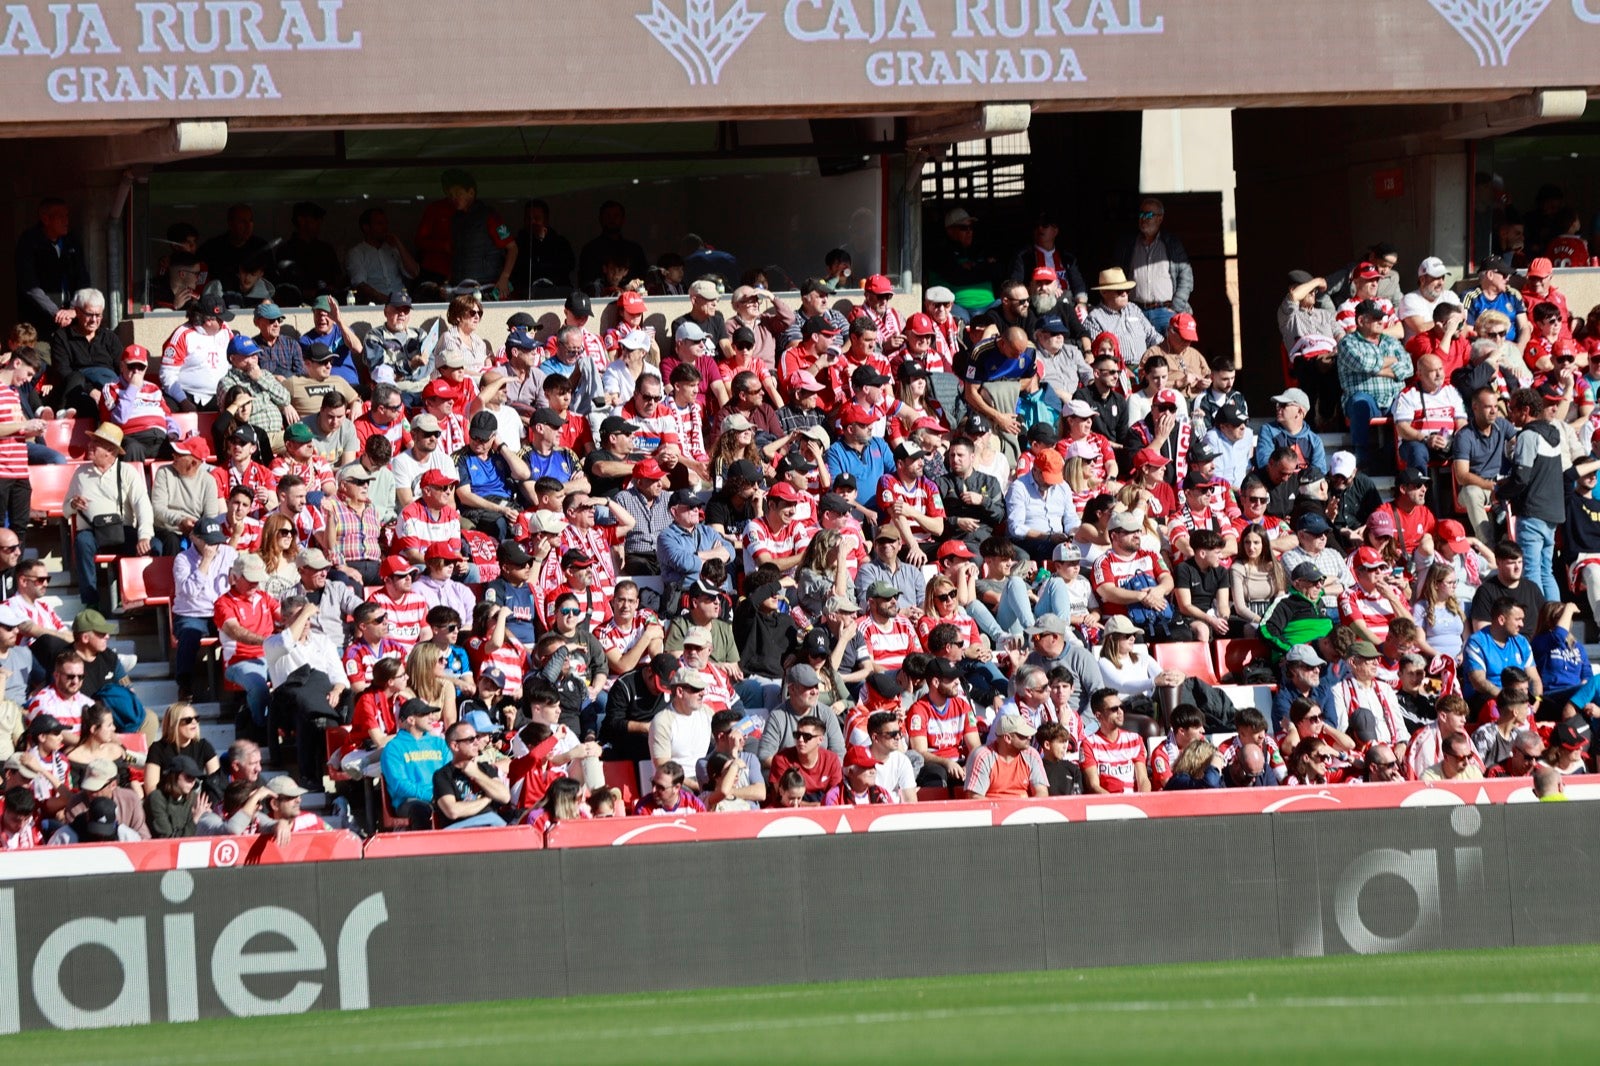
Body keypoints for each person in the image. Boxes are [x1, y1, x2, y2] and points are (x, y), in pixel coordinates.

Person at [66, 424, 156, 610]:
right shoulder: (80, 474)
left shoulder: (127, 472)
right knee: (82, 542)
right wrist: (73, 505)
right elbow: (65, 509)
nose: (89, 445)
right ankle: (91, 602)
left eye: (96, 443)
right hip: (92, 531)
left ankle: (138, 599)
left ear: (110, 451)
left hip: (122, 530)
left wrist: (144, 535)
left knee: (155, 547)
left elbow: (143, 505)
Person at [1501, 388, 1565, 601]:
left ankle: (1536, 623)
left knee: (1531, 571)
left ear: (1526, 410)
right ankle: (1555, 622)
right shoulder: (1555, 433)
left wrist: (1499, 492)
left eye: (1513, 410)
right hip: (1552, 515)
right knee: (1547, 571)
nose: (1510, 414)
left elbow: (1521, 477)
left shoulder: (1528, 436)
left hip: (1532, 514)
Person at [1337, 299, 1413, 467]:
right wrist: (1392, 362)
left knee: (1407, 402)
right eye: (1375, 318)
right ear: (1361, 321)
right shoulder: (1348, 343)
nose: (1381, 321)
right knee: (1360, 402)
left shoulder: (1391, 341)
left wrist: (1375, 369)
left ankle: (1394, 457)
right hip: (1365, 399)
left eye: (1382, 317)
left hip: (1393, 397)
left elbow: (1408, 367)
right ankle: (1362, 457)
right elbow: (1363, 363)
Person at [380, 698, 449, 829]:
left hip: (442, 797)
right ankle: (424, 848)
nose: (432, 717)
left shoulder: (439, 743)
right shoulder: (393, 748)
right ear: (411, 720)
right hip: (411, 801)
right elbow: (400, 785)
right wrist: (433, 797)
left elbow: (451, 772)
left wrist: (445, 796)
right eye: (425, 714)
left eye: (431, 713)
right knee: (420, 810)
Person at [432, 719, 511, 829]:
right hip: (459, 831)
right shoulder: (443, 775)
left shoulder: (485, 768)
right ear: (455, 746)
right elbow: (453, 811)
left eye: (477, 737)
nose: (476, 742)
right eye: (471, 739)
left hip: (491, 826)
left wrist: (476, 774)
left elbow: (505, 797)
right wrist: (487, 799)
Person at [1080, 688, 1150, 794]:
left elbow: (1143, 780)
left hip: (1135, 803)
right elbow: (1093, 785)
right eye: (1114, 709)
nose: (1120, 712)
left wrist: (1142, 800)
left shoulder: (1135, 739)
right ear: (1099, 716)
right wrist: (1116, 803)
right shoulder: (1088, 744)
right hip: (1107, 804)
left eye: (1121, 707)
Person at [963, 714, 1048, 799]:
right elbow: (975, 797)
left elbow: (1042, 793)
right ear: (1008, 738)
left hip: (1024, 810)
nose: (1029, 737)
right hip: (992, 810)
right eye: (1023, 735)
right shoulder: (983, 756)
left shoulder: (1032, 755)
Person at [766, 714, 844, 804]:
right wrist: (812, 806)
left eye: (807, 736)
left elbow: (836, 795)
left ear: (820, 739)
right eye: (797, 735)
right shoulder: (781, 759)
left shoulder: (831, 760)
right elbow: (781, 798)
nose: (800, 740)